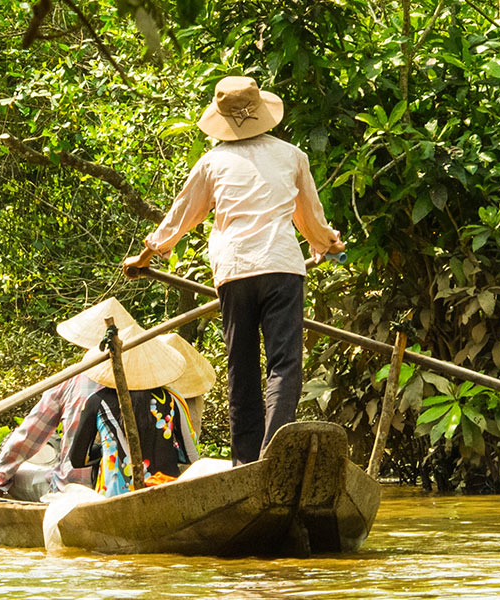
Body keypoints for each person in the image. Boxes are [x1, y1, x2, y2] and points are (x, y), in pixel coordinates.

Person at [123, 76, 345, 464]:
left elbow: (182, 214)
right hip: (281, 268)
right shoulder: (292, 156)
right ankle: (275, 455)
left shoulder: (212, 162)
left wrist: (148, 254)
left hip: (236, 270)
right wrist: (327, 245)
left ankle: (246, 461)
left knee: (240, 365)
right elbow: (310, 218)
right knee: (284, 363)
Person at [0, 299, 213, 499]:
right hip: (157, 485)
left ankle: (1, 479)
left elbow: (60, 450)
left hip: (89, 488)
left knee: (18, 474)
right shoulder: (170, 396)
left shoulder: (88, 392)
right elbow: (191, 456)